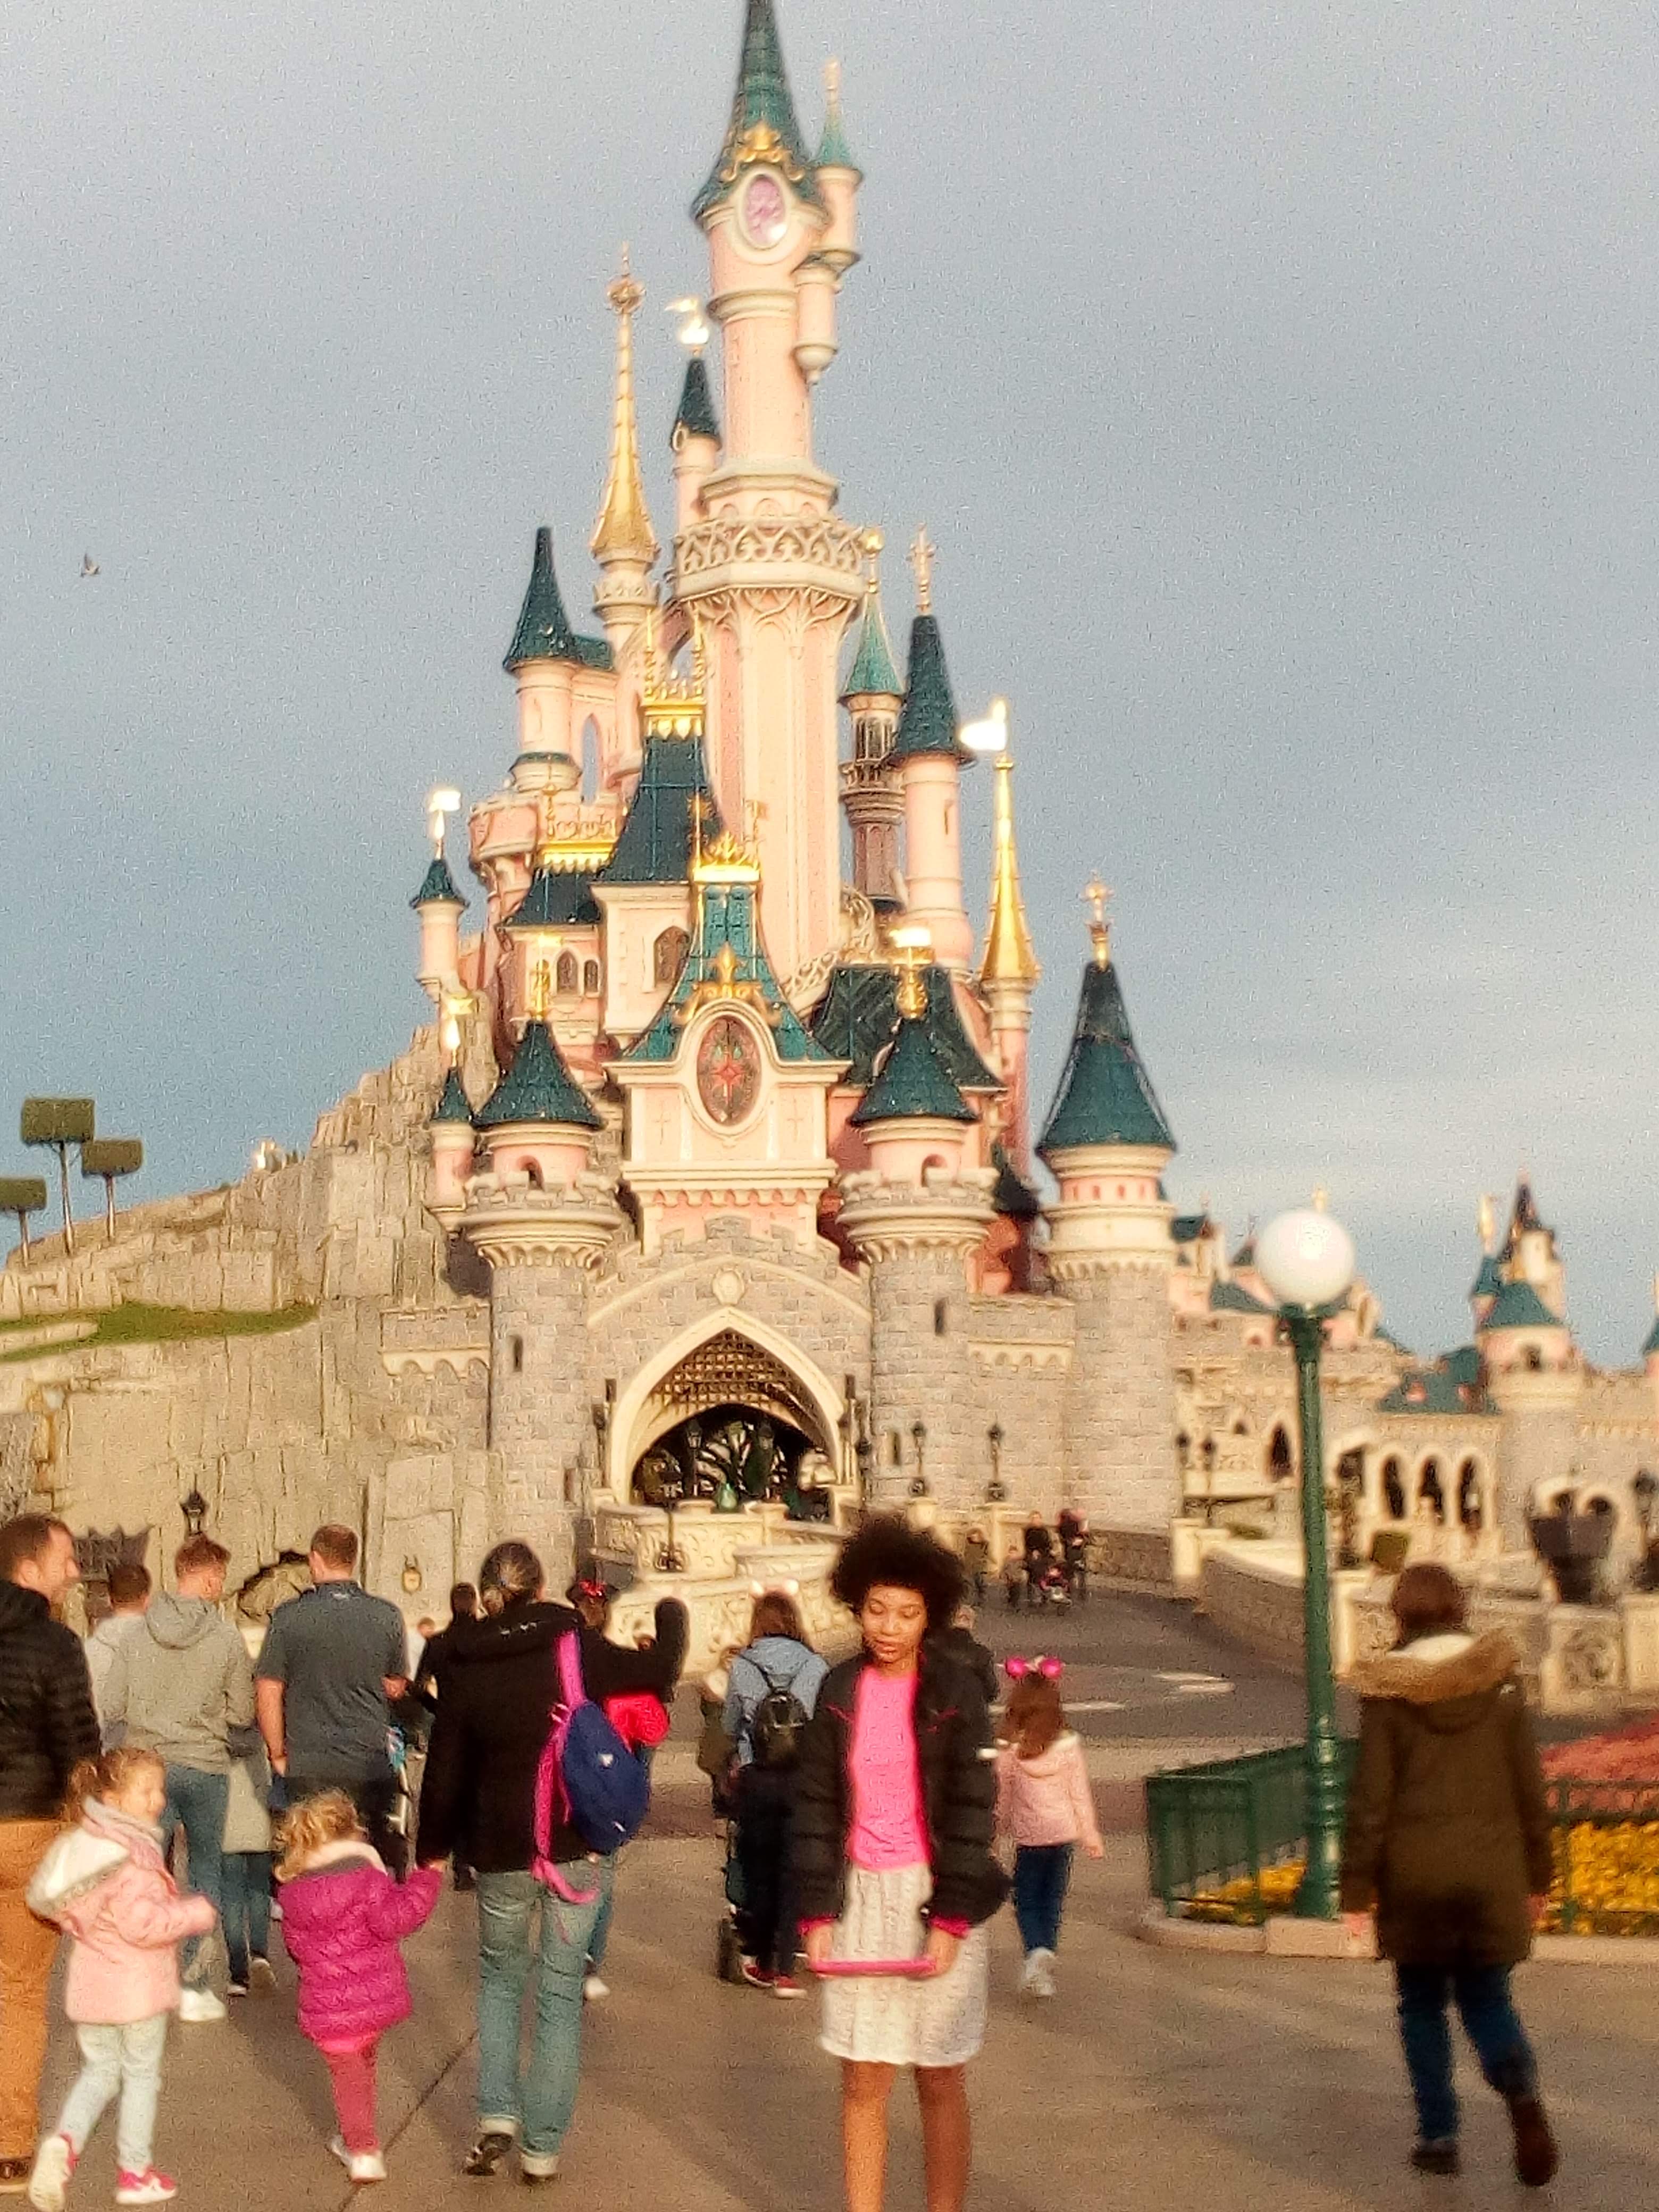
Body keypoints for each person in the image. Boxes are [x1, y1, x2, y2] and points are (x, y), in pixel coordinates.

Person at [416, 1541, 682, 2184]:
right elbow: (659, 1668)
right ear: (540, 1589)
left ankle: (496, 2114)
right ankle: (541, 2147)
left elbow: (444, 1767)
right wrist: (671, 1611)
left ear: (488, 1595)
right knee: (560, 1996)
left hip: (499, 1849)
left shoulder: (466, 1657)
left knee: (500, 1980)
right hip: (572, 1841)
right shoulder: (574, 1646)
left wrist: (432, 1850)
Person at [792, 1518, 1008, 2212]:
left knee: (939, 2076)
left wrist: (951, 1917)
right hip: (860, 1897)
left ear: (930, 1616)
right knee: (864, 2079)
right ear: (856, 1605)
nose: (889, 1627)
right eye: (877, 1609)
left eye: (907, 1613)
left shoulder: (956, 1693)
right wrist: (816, 1912)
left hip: (934, 1895)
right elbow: (815, 1807)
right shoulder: (837, 1689)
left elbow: (973, 1810)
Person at [1339, 1562, 1557, 2188]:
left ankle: (1439, 2135)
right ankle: (1518, 2084)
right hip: (1492, 1874)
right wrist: (1539, 1875)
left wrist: (1356, 1890)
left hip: (1416, 1881)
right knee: (1488, 1998)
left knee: (1421, 2005)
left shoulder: (1390, 1694)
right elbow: (1529, 1790)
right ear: (1459, 1607)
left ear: (1401, 1613)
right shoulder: (1500, 1682)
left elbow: (1371, 1801)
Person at [27, 1745, 216, 2211]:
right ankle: (135, 2171)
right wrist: (194, 1914)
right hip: (137, 1990)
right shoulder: (134, 1858)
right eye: (146, 1791)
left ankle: (64, 2143)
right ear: (113, 1799)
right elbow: (142, 1925)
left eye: (159, 1789)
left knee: (99, 2071)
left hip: (93, 1987)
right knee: (141, 2077)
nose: (157, 1800)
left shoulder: (85, 1847)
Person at [102, 1535, 255, 2024]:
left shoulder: (136, 1635)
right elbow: (243, 1712)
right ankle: (192, 1983)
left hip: (149, 1767)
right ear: (209, 1578)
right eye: (220, 1579)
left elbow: (112, 1704)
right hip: (206, 1764)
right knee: (205, 1872)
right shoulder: (226, 1638)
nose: (221, 1587)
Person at [0, 1515, 99, 2194]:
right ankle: (9, 2148)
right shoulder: (55, 1643)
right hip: (26, 1827)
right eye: (65, 1558)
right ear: (28, 1568)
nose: (75, 1571)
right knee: (18, 1989)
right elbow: (78, 1746)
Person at [275, 1789, 441, 2186]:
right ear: (352, 1831)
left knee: (348, 2075)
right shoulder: (367, 1879)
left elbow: (296, 1950)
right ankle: (362, 2144)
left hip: (328, 2006)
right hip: (372, 1998)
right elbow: (398, 1918)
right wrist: (427, 1879)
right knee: (360, 2069)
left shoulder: (293, 1893)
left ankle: (361, 2145)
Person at [254, 1526, 408, 1871]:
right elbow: (396, 1684)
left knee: (310, 1861)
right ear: (353, 1560)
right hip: (367, 1761)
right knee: (365, 1860)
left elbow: (268, 1689)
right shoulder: (386, 1616)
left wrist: (277, 1751)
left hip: (310, 1761)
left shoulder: (289, 1617)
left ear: (315, 1559)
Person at [723, 1590, 828, 1996]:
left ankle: (763, 1961)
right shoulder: (815, 1665)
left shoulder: (743, 1665)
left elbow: (730, 1725)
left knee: (759, 1870)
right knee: (793, 1870)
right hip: (802, 1779)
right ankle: (786, 1969)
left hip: (757, 1779)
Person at [994, 1658, 1102, 1998]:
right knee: (1052, 1898)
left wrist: (996, 1832)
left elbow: (1003, 1797)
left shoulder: (1011, 1750)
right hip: (1063, 1834)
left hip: (1030, 1837)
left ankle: (1036, 1950)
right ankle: (1045, 1956)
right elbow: (1079, 1792)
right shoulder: (1068, 1746)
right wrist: (1090, 1834)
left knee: (1026, 1898)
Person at [219, 1735, 274, 1998]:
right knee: (259, 1892)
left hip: (225, 1830)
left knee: (231, 1900)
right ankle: (260, 1954)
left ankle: (238, 1973)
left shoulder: (217, 1743)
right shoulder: (262, 1741)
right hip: (260, 1827)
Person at [83, 1566, 151, 1730]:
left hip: (102, 1740)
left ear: (109, 1599)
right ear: (147, 1599)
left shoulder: (86, 1651)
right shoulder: (163, 1647)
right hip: (152, 1742)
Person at [933, 1605, 998, 1707]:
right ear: (971, 1624)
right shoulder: (981, 1654)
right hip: (971, 1711)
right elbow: (991, 1691)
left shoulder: (934, 1650)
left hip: (939, 1710)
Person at [1020, 1514, 1053, 1611]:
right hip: (1032, 1558)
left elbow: (1048, 1545)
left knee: (1043, 1577)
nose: (1036, 1520)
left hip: (1043, 1557)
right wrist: (1033, 1552)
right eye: (1034, 1518)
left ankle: (1044, 1597)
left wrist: (1041, 1552)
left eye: (1037, 1518)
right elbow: (1027, 1544)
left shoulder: (1044, 1531)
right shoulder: (1029, 1531)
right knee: (1033, 1577)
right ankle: (1033, 1598)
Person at [960, 1530, 990, 1605]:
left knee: (981, 1586)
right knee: (971, 1586)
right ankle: (972, 1601)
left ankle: (982, 1601)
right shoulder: (968, 1546)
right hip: (969, 1569)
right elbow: (965, 1556)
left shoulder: (983, 1546)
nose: (974, 1538)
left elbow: (987, 1555)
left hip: (979, 1569)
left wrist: (983, 1565)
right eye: (972, 1536)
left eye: (975, 1536)